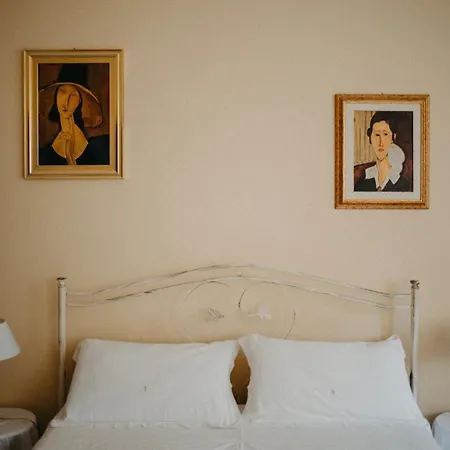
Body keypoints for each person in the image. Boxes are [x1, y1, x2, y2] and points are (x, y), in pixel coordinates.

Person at [38, 64, 110, 166]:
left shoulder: (100, 147)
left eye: (73, 95)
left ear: (80, 100)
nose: (66, 101)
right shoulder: (43, 155)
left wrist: (70, 157)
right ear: (55, 94)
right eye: (62, 91)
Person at [354, 111, 411, 192]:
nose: (381, 142)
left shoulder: (404, 185)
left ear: (393, 138)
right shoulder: (361, 183)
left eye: (385, 134)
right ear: (370, 138)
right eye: (377, 135)